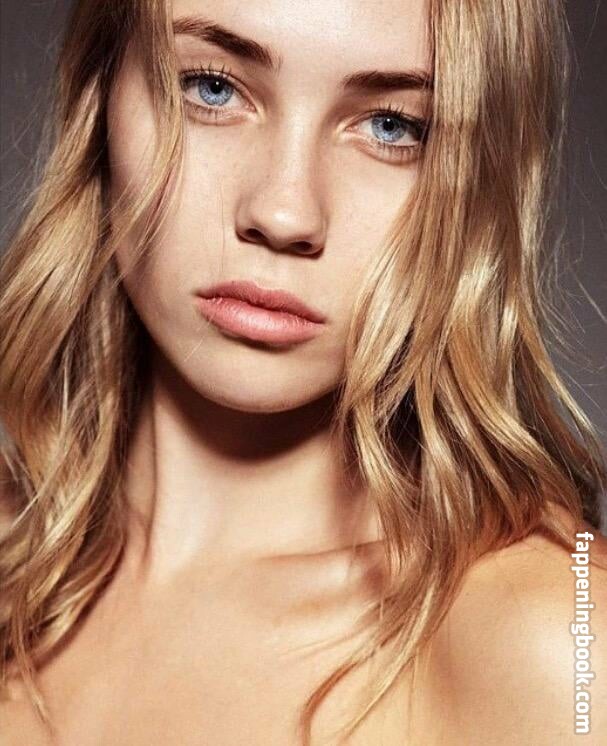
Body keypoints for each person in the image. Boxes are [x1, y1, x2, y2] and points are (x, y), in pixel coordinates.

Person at [1, 0, 606, 743]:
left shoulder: (556, 644)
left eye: (392, 127)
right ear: (98, 96)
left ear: (480, 184)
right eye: (212, 88)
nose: (285, 214)